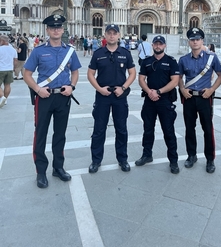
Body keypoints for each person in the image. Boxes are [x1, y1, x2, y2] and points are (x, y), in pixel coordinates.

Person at [23, 14, 81, 189]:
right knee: (40, 133)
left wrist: (72, 86)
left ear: (63, 30)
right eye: (52, 27)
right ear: (47, 30)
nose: (56, 30)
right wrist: (38, 89)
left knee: (60, 134)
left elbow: (75, 72)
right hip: (44, 97)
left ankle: (58, 167)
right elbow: (27, 74)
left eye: (59, 27)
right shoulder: (39, 51)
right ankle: (41, 171)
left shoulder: (69, 51)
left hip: (63, 97)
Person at [87, 24, 136, 173]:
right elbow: (90, 74)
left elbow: (132, 73)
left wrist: (123, 87)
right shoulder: (98, 53)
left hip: (119, 96)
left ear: (119, 35)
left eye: (114, 33)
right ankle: (96, 160)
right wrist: (99, 89)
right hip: (102, 95)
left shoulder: (125, 53)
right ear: (105, 35)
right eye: (109, 33)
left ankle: (122, 159)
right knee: (99, 129)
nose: (112, 36)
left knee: (121, 129)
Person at [178, 28, 221, 173]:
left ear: (202, 41)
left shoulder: (211, 57)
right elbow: (178, 77)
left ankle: (210, 159)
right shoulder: (183, 59)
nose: (195, 41)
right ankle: (192, 155)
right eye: (192, 39)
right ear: (189, 42)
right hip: (189, 97)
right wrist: (182, 89)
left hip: (205, 98)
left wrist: (211, 90)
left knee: (208, 129)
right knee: (189, 128)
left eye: (198, 39)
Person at [136, 35, 180, 174]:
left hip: (165, 100)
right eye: (156, 44)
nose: (158, 46)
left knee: (168, 131)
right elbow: (141, 78)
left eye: (160, 44)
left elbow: (175, 81)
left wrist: (159, 91)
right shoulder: (147, 61)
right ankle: (147, 154)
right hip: (149, 100)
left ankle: (173, 161)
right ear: (152, 45)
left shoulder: (171, 61)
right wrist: (149, 91)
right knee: (148, 129)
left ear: (164, 46)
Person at [0, 35, 18, 108]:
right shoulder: (13, 49)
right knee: (7, 85)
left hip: (1, 69)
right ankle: (5, 99)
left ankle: (2, 97)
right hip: (9, 69)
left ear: (3, 41)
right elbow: (15, 60)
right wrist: (14, 68)